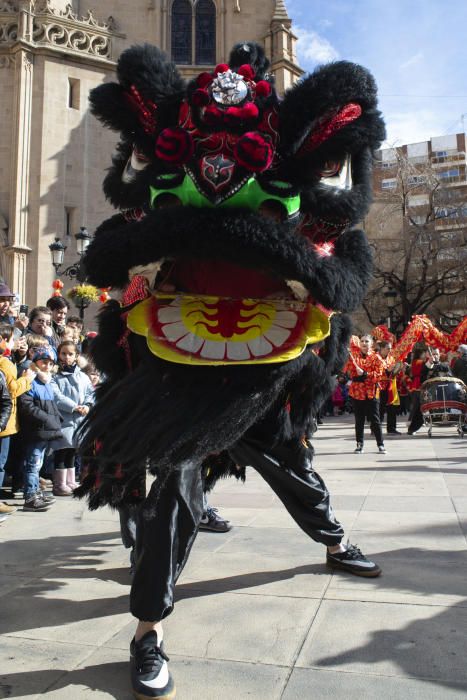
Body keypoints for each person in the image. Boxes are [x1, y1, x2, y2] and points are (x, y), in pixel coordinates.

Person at [17, 346, 61, 511]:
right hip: (35, 430)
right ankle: (30, 496)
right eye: (44, 362)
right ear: (35, 362)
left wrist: (56, 419)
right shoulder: (30, 379)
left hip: (44, 430)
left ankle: (35, 491)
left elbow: (51, 406)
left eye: (51, 363)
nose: (47, 366)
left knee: (38, 463)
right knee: (33, 464)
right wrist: (47, 419)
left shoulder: (47, 381)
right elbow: (27, 405)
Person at [51, 340, 94, 495]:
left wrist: (87, 405)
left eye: (70, 354)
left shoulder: (82, 376)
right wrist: (74, 407)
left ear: (76, 356)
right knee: (61, 451)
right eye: (63, 353)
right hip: (64, 420)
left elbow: (91, 392)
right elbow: (56, 396)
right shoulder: (55, 376)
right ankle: (59, 483)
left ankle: (70, 481)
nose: (67, 357)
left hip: (80, 420)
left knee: (72, 451)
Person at [0, 324, 35, 499]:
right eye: (13, 339)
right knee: (0, 463)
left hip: (5, 421)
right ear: (4, 341)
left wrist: (20, 355)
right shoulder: (4, 362)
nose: (16, 342)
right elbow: (11, 390)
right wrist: (26, 380)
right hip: (4, 422)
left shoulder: (7, 359)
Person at [344, 334, 386, 454]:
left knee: (375, 419)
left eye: (366, 341)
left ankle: (380, 444)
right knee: (359, 420)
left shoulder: (376, 358)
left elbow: (379, 375)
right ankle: (359, 444)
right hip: (357, 392)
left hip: (372, 391)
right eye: (362, 341)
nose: (363, 343)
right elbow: (348, 371)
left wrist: (365, 374)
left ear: (371, 343)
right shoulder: (354, 357)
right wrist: (352, 370)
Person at [377, 340, 401, 434]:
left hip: (390, 386)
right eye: (388, 348)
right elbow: (375, 372)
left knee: (392, 408)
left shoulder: (391, 358)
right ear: (382, 348)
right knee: (379, 409)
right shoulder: (376, 358)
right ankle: (375, 429)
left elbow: (393, 373)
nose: (390, 350)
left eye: (390, 348)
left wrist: (397, 370)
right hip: (379, 386)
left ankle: (391, 428)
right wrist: (387, 370)